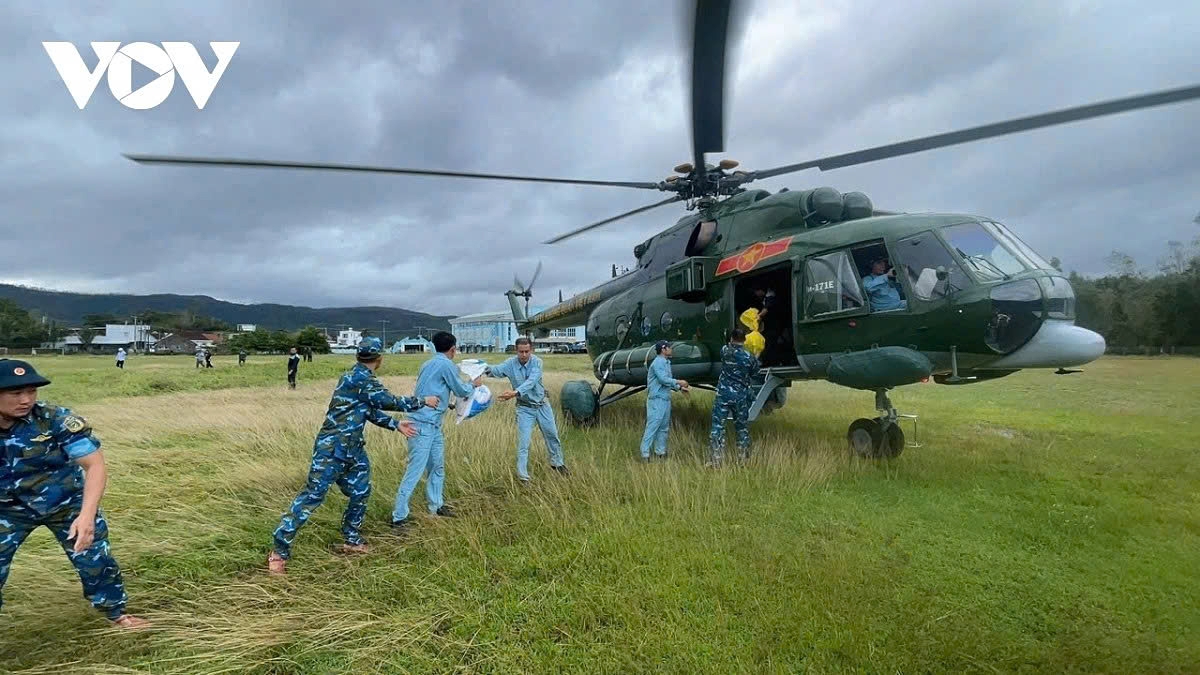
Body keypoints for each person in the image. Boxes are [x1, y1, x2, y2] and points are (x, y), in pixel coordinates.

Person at [0, 359, 148, 628]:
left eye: (31, 391)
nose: (26, 400)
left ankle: (117, 614)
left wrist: (86, 516)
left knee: (96, 561)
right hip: (6, 509)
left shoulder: (55, 419)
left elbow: (95, 466)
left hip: (65, 503)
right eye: (15, 393)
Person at [268, 338, 436, 574]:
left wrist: (395, 425)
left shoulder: (358, 379)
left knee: (360, 491)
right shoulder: (359, 379)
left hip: (353, 450)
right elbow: (388, 401)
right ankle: (279, 551)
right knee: (311, 498)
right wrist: (423, 402)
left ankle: (351, 539)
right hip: (331, 450)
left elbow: (366, 409)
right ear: (380, 359)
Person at [391, 331, 480, 528]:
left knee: (437, 466)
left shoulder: (428, 363)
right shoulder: (446, 364)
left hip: (432, 425)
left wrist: (445, 403)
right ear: (453, 349)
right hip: (422, 425)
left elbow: (433, 389)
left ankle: (436, 506)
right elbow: (461, 390)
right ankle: (399, 517)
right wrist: (473, 384)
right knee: (414, 471)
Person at [484, 336, 568, 483]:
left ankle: (558, 464)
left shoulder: (537, 362)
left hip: (542, 405)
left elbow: (532, 381)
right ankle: (523, 477)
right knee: (524, 442)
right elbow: (495, 370)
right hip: (524, 408)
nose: (523, 355)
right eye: (521, 352)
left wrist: (515, 392)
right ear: (516, 351)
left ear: (531, 350)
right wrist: (478, 367)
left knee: (552, 436)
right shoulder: (510, 364)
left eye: (526, 351)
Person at [708, 328, 759, 466]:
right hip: (740, 396)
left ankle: (715, 460)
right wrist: (756, 355)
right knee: (741, 427)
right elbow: (755, 372)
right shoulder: (749, 357)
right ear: (744, 340)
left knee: (718, 426)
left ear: (731, 339)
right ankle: (743, 459)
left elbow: (727, 350)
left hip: (723, 394)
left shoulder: (725, 351)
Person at [639, 340, 689, 461]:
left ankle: (660, 452)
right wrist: (679, 382)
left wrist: (679, 388)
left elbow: (667, 381)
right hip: (656, 399)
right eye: (669, 347)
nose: (671, 349)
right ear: (663, 349)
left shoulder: (666, 363)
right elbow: (663, 379)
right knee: (653, 425)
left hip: (665, 399)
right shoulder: (658, 363)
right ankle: (645, 453)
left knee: (663, 427)